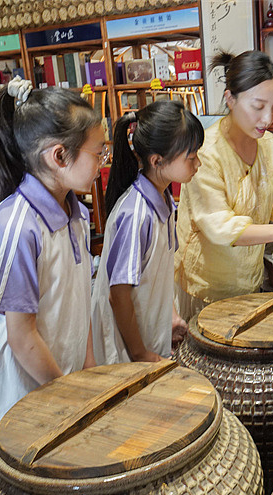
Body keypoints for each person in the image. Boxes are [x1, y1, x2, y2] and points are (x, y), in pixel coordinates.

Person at [0, 77, 102, 469]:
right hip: (16, 399)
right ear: (58, 156)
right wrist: (68, 390)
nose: (102, 161)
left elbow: (78, 305)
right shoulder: (17, 225)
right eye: (98, 153)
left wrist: (92, 378)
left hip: (58, 388)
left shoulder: (76, 213)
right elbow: (21, 336)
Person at [174, 51, 273, 320]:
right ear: (230, 99)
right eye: (258, 106)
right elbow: (219, 226)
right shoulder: (206, 153)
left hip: (250, 284)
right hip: (205, 289)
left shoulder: (270, 147)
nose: (268, 118)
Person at [91, 101, 203, 364]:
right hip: (127, 348)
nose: (198, 163)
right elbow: (118, 295)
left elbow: (158, 275)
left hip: (148, 338)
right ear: (157, 160)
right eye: (191, 156)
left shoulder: (163, 199)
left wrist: (172, 316)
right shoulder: (136, 214)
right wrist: (140, 353)